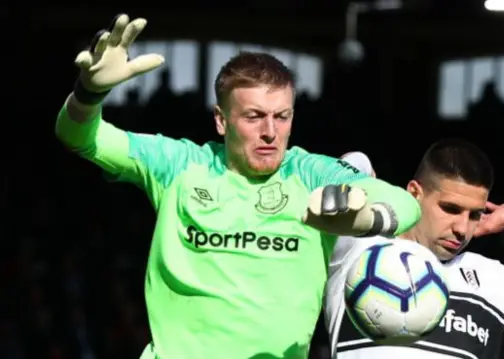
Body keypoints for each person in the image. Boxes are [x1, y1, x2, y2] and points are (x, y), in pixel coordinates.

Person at [55, 14, 421, 359]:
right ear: (221, 120)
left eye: (282, 116)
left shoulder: (311, 172)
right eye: (254, 116)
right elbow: (82, 138)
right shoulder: (180, 165)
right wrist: (88, 94)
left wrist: (369, 219)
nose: (270, 132)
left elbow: (404, 203)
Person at [325, 141, 504, 359]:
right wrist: (363, 182)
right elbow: (342, 172)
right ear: (414, 192)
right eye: (450, 208)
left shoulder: (492, 281)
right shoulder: (358, 248)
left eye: (474, 214)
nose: (462, 229)